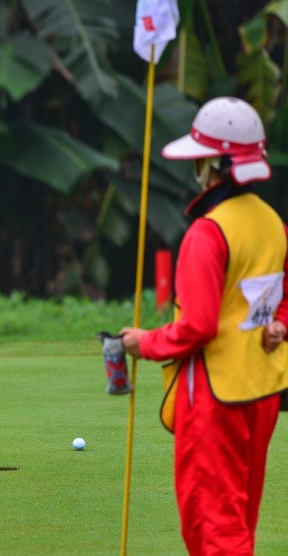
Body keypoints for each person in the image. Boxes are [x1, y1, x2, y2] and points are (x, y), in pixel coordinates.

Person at [120, 96, 288, 555]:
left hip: (215, 396)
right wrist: (280, 325)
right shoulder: (273, 223)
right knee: (239, 519)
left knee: (213, 527)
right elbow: (282, 296)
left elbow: (197, 327)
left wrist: (143, 342)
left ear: (212, 164)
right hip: (264, 390)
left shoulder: (206, 233)